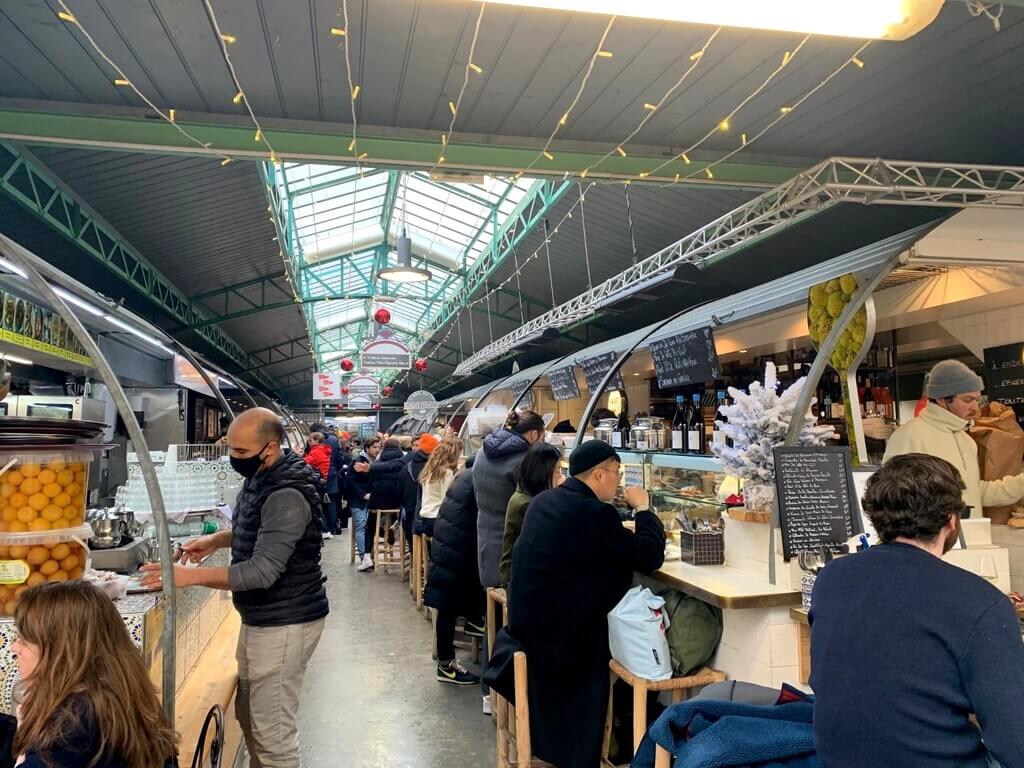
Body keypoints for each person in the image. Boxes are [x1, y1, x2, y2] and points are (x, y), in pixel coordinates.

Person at [140, 406, 328, 768]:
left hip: (284, 622)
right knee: (250, 719)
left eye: (241, 452)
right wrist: (219, 541)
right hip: (263, 618)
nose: (233, 459)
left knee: (273, 738)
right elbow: (262, 531)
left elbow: (262, 571)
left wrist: (189, 577)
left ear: (269, 449)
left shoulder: (287, 493)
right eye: (231, 449)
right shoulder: (264, 476)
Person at [810, 453, 1024, 768]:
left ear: (875, 516)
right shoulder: (980, 602)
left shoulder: (832, 577)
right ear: (952, 520)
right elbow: (1015, 741)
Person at [505, 440, 665, 768]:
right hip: (563, 644)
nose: (619, 481)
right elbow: (649, 556)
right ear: (600, 474)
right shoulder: (594, 513)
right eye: (617, 473)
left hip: (526, 627)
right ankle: (598, 752)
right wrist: (644, 508)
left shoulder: (545, 502)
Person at [11, 581, 178, 768]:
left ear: (61, 651)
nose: (14, 648)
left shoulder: (75, 723)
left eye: (24, 640)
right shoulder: (114, 691)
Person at [884, 359, 1024, 515]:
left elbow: (975, 492)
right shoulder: (908, 436)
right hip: (932, 538)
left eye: (977, 399)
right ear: (942, 399)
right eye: (967, 400)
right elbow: (893, 499)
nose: (975, 408)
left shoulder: (967, 441)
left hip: (973, 537)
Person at [424, 454, 487, 693]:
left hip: (445, 544)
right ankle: (447, 665)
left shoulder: (463, 476)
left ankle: (473, 621)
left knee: (447, 604)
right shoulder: (479, 480)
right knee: (448, 605)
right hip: (454, 549)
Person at [474, 410, 546, 589]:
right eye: (542, 439)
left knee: (493, 590)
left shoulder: (482, 452)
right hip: (512, 540)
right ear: (534, 434)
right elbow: (534, 501)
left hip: (485, 531)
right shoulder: (524, 461)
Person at [499, 442, 564, 586]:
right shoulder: (529, 504)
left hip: (518, 573)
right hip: (520, 579)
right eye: (558, 470)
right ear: (544, 472)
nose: (560, 476)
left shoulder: (525, 493)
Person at [365, 437, 406, 558]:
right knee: (396, 514)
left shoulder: (376, 464)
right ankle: (392, 529)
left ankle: (368, 554)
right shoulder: (403, 463)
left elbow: (369, 484)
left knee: (370, 524)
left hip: (377, 503)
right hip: (396, 503)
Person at [347, 436, 382, 572]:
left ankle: (369, 556)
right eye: (374, 447)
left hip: (373, 500)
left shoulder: (378, 463)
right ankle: (364, 558)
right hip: (358, 501)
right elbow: (350, 481)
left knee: (370, 527)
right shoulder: (358, 462)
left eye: (379, 447)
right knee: (361, 526)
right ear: (367, 448)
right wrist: (362, 494)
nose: (377, 450)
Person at [416, 436, 462, 538]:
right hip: (437, 519)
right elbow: (446, 499)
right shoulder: (447, 473)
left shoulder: (429, 470)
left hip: (426, 517)